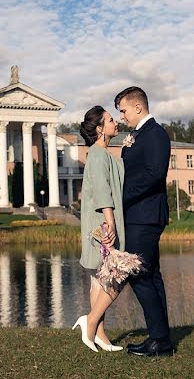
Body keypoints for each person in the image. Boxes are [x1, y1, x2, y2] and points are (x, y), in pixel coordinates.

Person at [115, 85, 174, 357]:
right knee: (152, 275)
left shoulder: (156, 135)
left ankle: (160, 339)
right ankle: (161, 339)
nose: (122, 116)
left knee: (137, 274)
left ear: (138, 107)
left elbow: (153, 175)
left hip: (146, 215)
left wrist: (120, 196)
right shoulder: (136, 136)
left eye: (124, 110)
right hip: (137, 215)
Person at [72, 105, 125, 353]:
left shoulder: (103, 155)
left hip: (102, 223)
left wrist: (127, 152)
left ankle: (100, 335)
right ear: (100, 128)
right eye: (111, 120)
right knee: (116, 277)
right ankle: (90, 321)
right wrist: (110, 223)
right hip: (102, 225)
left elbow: (117, 179)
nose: (117, 123)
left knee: (99, 280)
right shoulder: (97, 155)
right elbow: (104, 191)